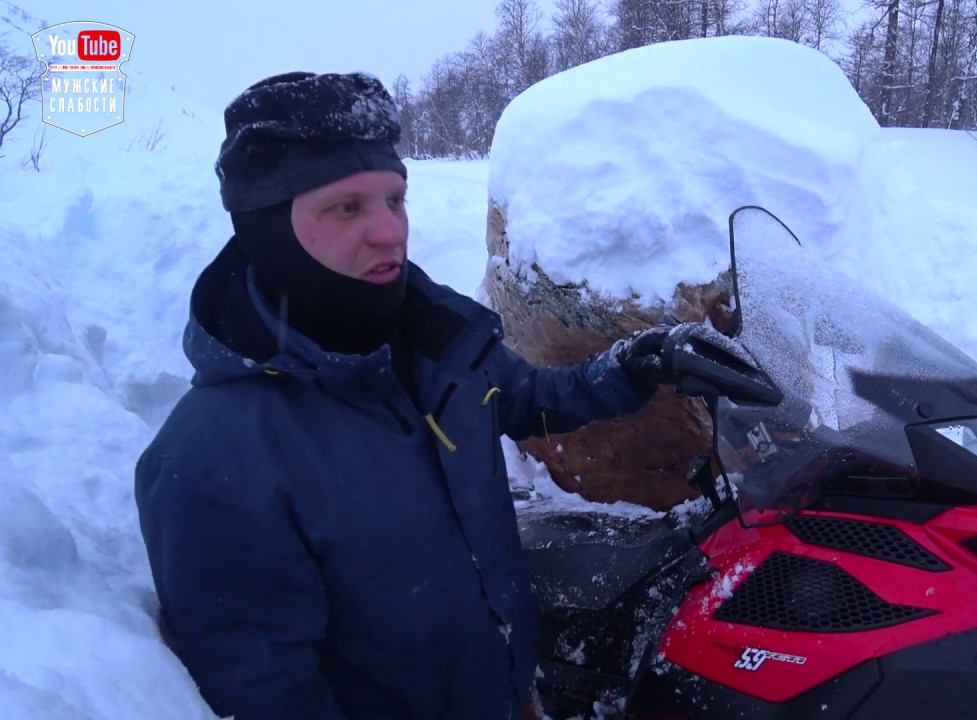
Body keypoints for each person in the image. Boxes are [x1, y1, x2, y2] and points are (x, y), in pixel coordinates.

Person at [134, 71, 680, 720]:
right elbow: (271, 697)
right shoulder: (212, 465)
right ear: (268, 228)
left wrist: (636, 368)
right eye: (347, 207)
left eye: (395, 200)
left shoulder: (430, 345)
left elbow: (528, 396)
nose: (390, 231)